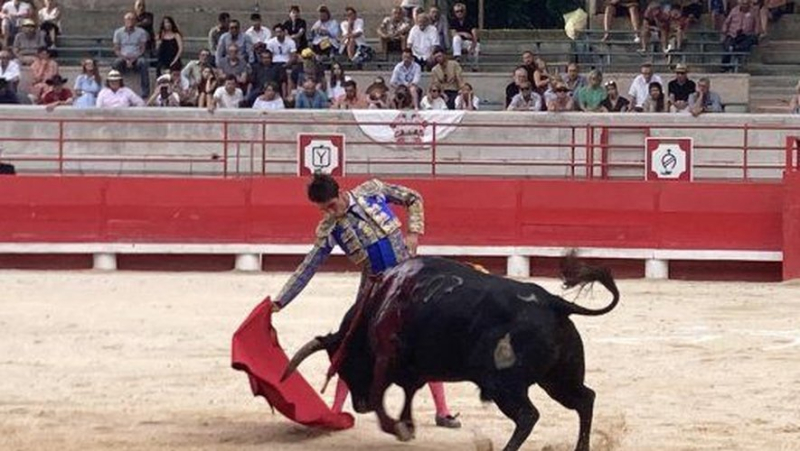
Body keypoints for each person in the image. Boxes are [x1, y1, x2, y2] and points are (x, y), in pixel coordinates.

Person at [271, 174, 461, 430]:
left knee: (423, 341)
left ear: (340, 193)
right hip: (375, 289)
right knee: (352, 344)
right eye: (323, 209)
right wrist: (281, 300)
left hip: (409, 279)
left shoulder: (372, 191)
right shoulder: (330, 228)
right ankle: (334, 411)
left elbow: (413, 198)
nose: (329, 212)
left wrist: (414, 232)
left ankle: (442, 411)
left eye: (331, 205)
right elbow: (308, 267)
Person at [112, 12, 150, 97]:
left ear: (135, 21)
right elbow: (116, 49)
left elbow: (142, 49)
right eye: (128, 19)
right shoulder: (118, 32)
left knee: (143, 63)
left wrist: (133, 59)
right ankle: (115, 89)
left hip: (136, 57)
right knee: (116, 63)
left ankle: (145, 92)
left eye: (132, 19)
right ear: (124, 20)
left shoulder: (141, 32)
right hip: (123, 57)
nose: (130, 21)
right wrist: (125, 59)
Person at [721, 0, 761, 70]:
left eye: (746, 2)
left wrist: (756, 34)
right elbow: (726, 23)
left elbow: (757, 25)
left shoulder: (754, 11)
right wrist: (724, 32)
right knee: (728, 44)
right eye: (742, 1)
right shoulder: (734, 10)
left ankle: (737, 49)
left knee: (750, 39)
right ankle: (724, 66)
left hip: (746, 35)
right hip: (733, 34)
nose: (744, 3)